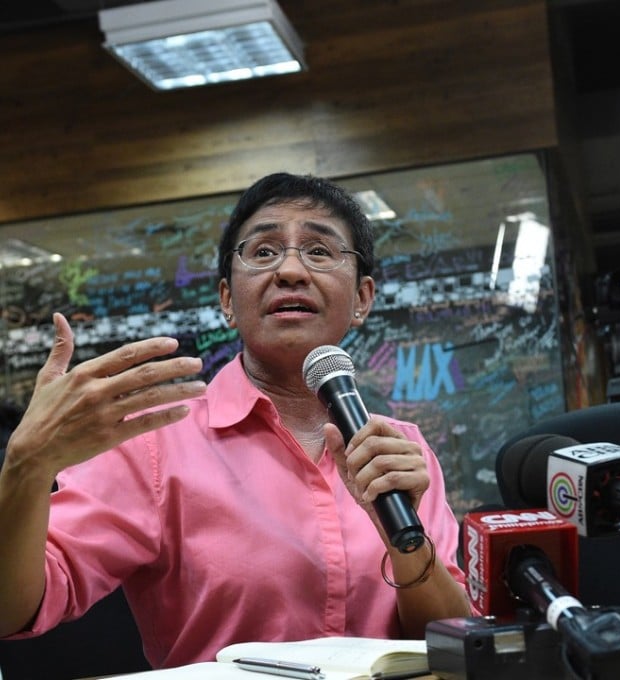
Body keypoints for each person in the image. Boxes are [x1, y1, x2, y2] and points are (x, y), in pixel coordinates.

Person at [0, 173, 472, 669]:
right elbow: (12, 611)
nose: (290, 269)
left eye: (319, 250)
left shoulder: (401, 450)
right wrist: (24, 466)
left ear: (362, 299)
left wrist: (404, 539)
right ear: (228, 300)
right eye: (264, 251)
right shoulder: (155, 441)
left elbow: (448, 642)